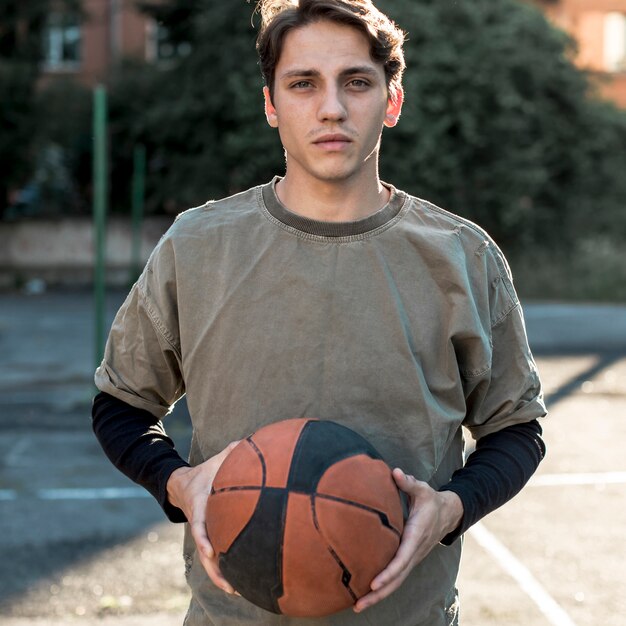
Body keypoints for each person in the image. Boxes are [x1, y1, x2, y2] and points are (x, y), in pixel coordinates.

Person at [92, 1, 547, 624]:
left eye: (356, 82)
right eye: (303, 83)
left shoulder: (461, 256)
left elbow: (517, 430)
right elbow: (120, 407)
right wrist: (181, 483)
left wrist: (452, 506)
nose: (331, 107)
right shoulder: (198, 246)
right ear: (271, 104)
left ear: (393, 100)